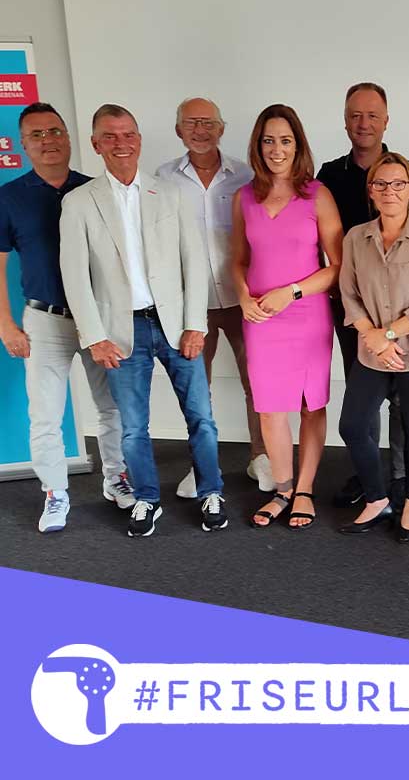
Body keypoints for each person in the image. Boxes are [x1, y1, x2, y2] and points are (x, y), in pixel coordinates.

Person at [60, 104, 225, 537]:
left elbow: (194, 262)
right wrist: (94, 336)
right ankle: (147, 499)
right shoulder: (79, 203)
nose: (121, 143)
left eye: (128, 134)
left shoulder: (170, 194)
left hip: (176, 325)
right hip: (120, 331)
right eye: (110, 136)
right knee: (133, 427)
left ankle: (211, 492)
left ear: (139, 139)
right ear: (96, 144)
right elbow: (75, 276)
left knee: (201, 418)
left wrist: (196, 324)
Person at [0, 102, 134, 533]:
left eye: (55, 131)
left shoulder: (94, 190)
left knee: (112, 407)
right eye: (37, 135)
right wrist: (6, 325)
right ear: (24, 145)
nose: (48, 140)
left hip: (98, 320)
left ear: (69, 137)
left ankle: (116, 478)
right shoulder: (9, 197)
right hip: (45, 320)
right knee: (45, 414)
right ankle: (55, 492)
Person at [318, 82, 409, 513]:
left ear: (386, 121)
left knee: (405, 408)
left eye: (372, 115)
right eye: (355, 115)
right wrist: (368, 329)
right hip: (357, 310)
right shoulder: (330, 176)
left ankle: (402, 480)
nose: (364, 123)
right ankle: (368, 477)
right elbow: (310, 230)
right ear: (345, 121)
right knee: (364, 402)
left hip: (408, 314)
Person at [232, 104, 342, 529]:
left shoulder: (318, 195)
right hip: (260, 318)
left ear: (298, 146)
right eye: (269, 141)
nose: (277, 149)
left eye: (285, 140)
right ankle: (282, 489)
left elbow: (337, 266)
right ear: (258, 146)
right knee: (270, 408)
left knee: (310, 405)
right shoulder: (244, 197)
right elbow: (238, 260)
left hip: (307, 314)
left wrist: (291, 292)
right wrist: (243, 296)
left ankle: (305, 490)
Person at [156, 97, 273, 498]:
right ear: (178, 130)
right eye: (191, 123)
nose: (200, 130)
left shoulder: (246, 176)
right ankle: (202, 465)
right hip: (190, 304)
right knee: (195, 388)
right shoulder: (163, 178)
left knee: (256, 380)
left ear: (222, 129)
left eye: (208, 122)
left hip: (244, 297)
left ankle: (261, 455)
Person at [338, 152, 409, 542]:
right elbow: (349, 294)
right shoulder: (356, 237)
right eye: (381, 184)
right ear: (371, 191)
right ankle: (377, 499)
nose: (390, 191)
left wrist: (386, 336)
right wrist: (373, 336)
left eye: (398, 184)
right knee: (353, 425)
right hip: (372, 348)